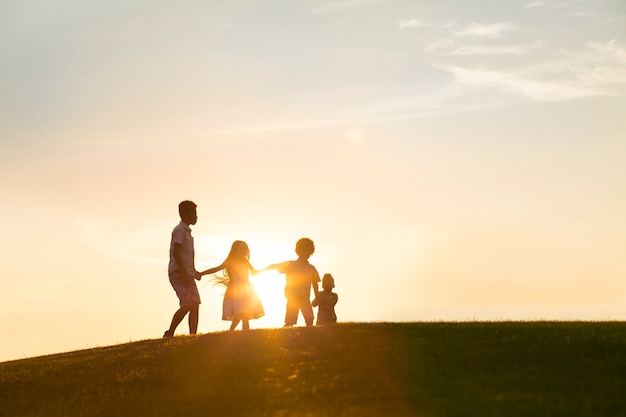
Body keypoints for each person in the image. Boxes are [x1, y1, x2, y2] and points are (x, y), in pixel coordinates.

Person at [199, 240, 264, 331]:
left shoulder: (245, 261)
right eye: (241, 248)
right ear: (235, 250)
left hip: (247, 290)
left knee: (244, 314)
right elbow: (216, 269)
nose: (243, 251)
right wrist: (201, 273)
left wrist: (261, 270)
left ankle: (238, 332)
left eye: (245, 249)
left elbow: (253, 271)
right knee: (241, 313)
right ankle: (235, 332)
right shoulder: (230, 262)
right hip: (235, 291)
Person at [163, 200, 202, 337]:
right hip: (178, 273)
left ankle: (193, 335)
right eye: (194, 213)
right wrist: (185, 273)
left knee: (195, 303)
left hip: (187, 273)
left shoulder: (187, 233)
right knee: (187, 304)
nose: (197, 216)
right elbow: (176, 252)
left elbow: (185, 256)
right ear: (186, 214)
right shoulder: (180, 230)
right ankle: (170, 331)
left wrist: (193, 271)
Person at [262, 238, 320, 327]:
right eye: (303, 250)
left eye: (308, 251)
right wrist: (259, 271)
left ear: (311, 252)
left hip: (305, 298)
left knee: (310, 319)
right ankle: (285, 335)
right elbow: (274, 266)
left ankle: (308, 337)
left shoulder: (311, 268)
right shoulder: (290, 265)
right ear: (298, 251)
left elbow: (315, 283)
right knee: (290, 321)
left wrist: (317, 297)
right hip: (293, 297)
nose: (305, 253)